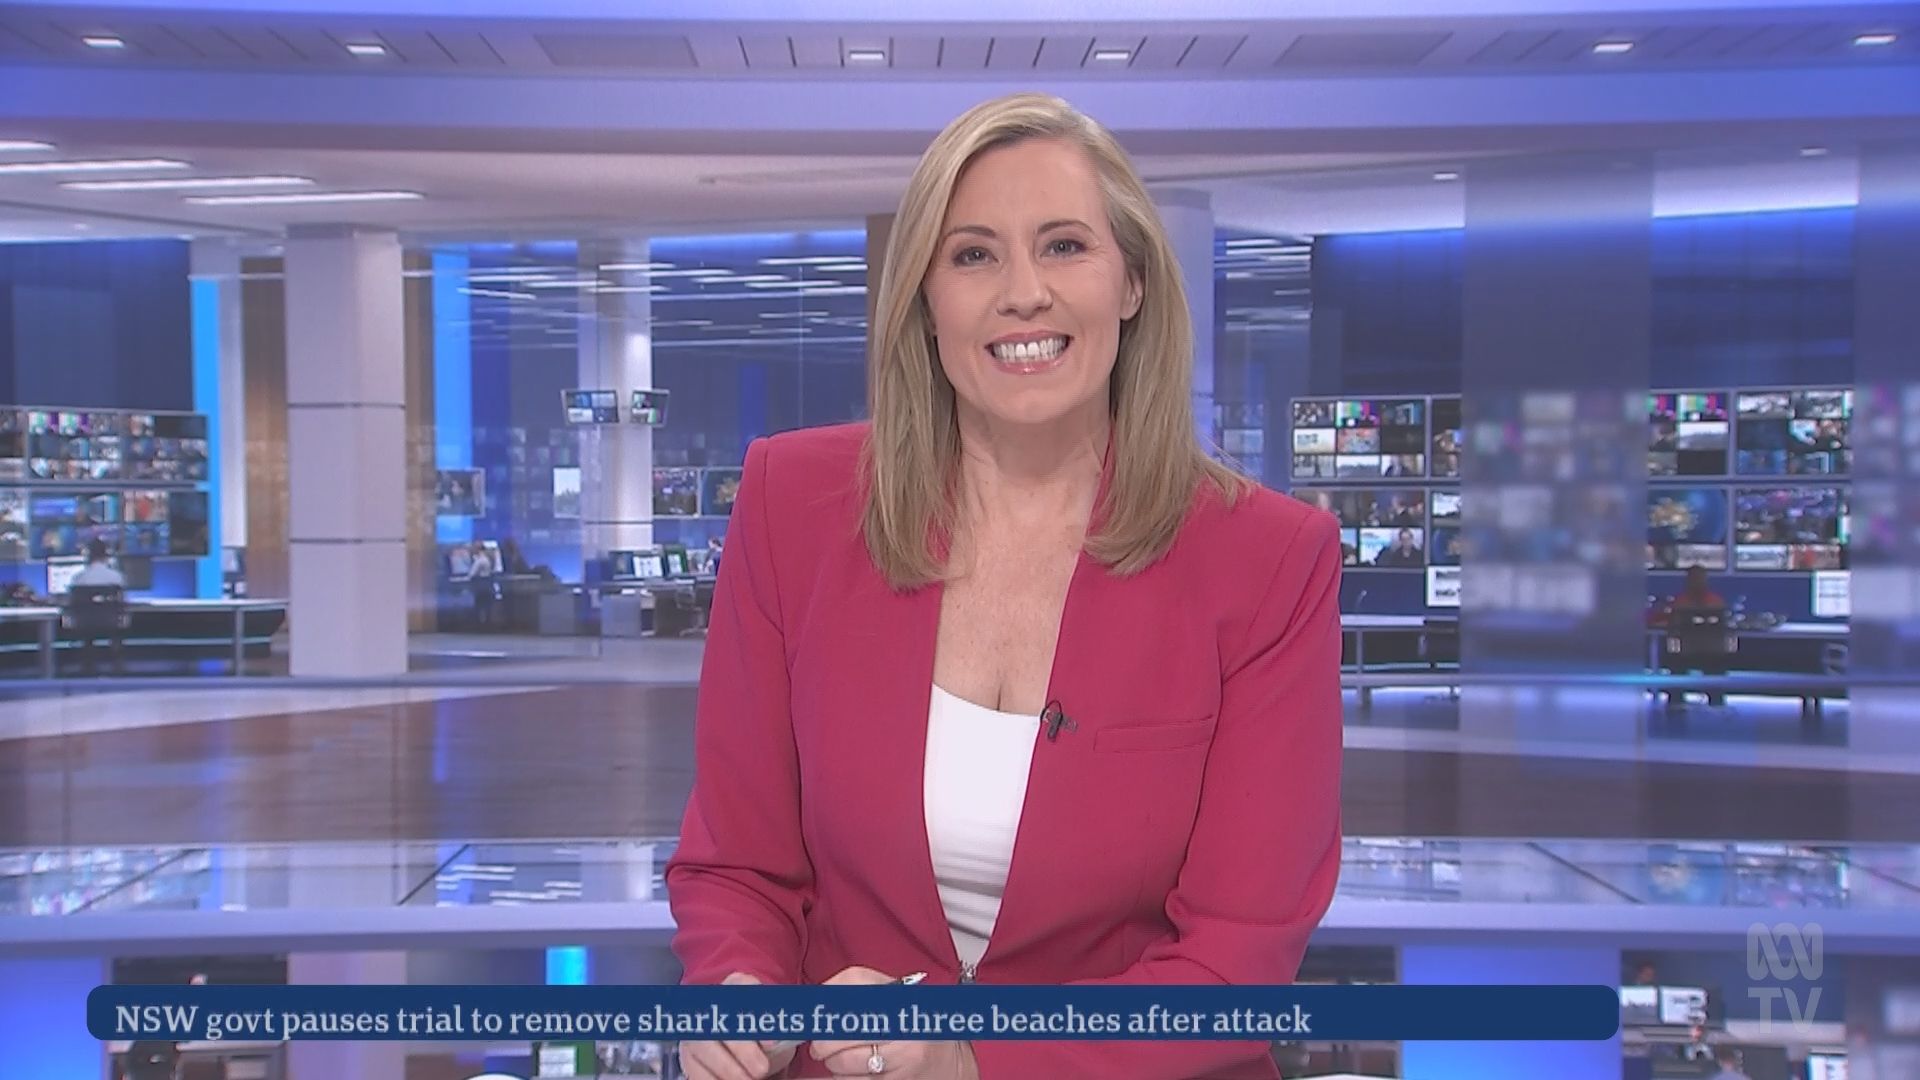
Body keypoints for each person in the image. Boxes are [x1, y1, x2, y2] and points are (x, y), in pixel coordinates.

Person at [667, 92, 1343, 1080]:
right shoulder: (791, 503)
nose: (1023, 293)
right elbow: (738, 860)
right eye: (974, 255)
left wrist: (971, 1054)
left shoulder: (1268, 559)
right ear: (925, 299)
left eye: (1064, 246)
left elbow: (1235, 962)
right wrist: (737, 985)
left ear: (1133, 282)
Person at [1664, 565, 1730, 708]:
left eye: (1699, 578)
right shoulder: (1681, 602)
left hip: (1707, 652)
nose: (1696, 582)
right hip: (1688, 652)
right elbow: (1672, 625)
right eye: (1693, 579)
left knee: (1714, 667)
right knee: (1676, 665)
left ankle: (1715, 703)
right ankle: (1676, 704)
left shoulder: (1715, 601)